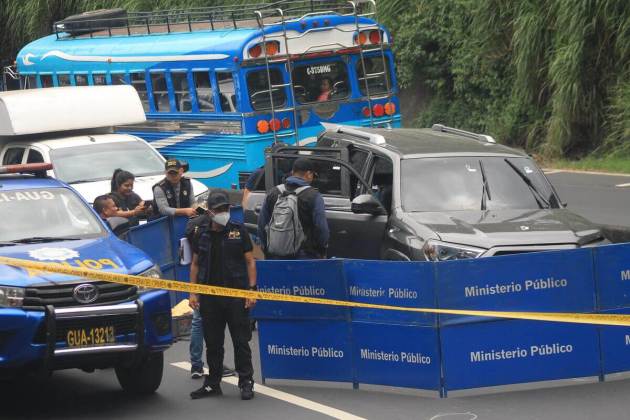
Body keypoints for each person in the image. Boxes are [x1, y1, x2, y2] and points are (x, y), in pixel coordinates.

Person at [189, 191, 257, 400]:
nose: (223, 213)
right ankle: (213, 383)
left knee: (240, 341)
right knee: (214, 343)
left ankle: (246, 382)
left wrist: (251, 290)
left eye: (226, 209)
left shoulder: (238, 231)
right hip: (210, 297)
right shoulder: (201, 233)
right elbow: (195, 264)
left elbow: (250, 262)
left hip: (236, 295)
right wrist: (193, 292)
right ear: (210, 212)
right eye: (219, 210)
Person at [185, 212, 236, 380]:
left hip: (202, 282)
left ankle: (197, 365)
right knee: (211, 324)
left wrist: (193, 291)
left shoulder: (196, 227)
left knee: (199, 322)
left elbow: (194, 263)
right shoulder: (212, 230)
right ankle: (215, 365)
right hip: (212, 284)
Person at [257, 157, 329, 259]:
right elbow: (322, 228)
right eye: (312, 175)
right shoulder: (314, 196)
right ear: (308, 174)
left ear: (292, 172)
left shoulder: (273, 192)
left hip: (276, 254)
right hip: (304, 256)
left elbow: (262, 224)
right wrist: (322, 250)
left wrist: (266, 248)